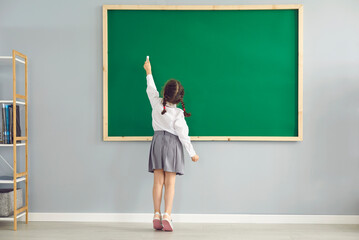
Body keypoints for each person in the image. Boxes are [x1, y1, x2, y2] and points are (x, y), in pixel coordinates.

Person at [144, 57, 199, 231]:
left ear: (165, 93)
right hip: (172, 145)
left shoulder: (156, 103)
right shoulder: (178, 114)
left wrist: (149, 71)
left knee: (157, 182)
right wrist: (192, 153)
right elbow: (183, 135)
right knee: (171, 183)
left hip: (157, 142)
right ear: (179, 97)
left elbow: (151, 90)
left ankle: (156, 213)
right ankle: (167, 215)